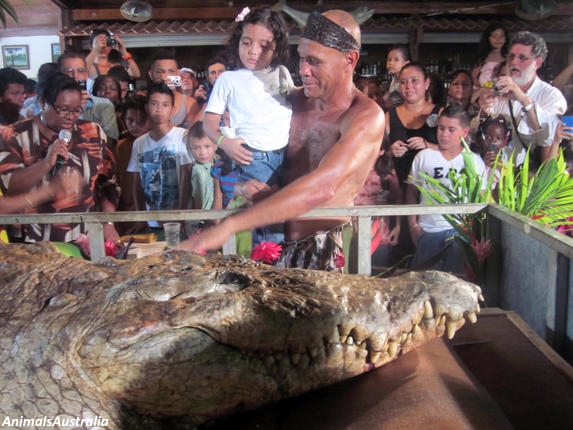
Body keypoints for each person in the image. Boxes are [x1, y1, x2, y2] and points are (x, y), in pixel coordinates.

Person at [180, 10, 385, 272]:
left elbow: (324, 186)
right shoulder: (290, 101)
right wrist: (245, 184)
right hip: (270, 244)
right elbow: (239, 155)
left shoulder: (365, 116)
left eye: (315, 61)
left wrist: (231, 224)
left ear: (350, 60)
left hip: (324, 250)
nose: (303, 70)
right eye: (301, 58)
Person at [204, 7, 294, 245]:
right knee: (267, 228)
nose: (254, 51)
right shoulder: (228, 79)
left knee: (284, 221)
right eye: (247, 43)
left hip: (286, 157)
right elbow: (209, 121)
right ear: (238, 42)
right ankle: (265, 274)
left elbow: (297, 106)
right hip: (254, 158)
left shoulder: (282, 73)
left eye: (264, 45)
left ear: (277, 47)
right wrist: (226, 143)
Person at [0, 73, 120, 244]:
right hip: (32, 245)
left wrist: (108, 223)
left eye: (76, 110)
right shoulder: (13, 135)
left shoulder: (92, 132)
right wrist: (46, 163)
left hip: (82, 241)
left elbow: (108, 182)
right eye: (63, 109)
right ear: (43, 102)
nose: (70, 116)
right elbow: (9, 185)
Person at [406, 104, 486, 273]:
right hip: (428, 230)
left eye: (451, 130)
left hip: (459, 232)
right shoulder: (424, 157)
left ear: (464, 132)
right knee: (423, 284)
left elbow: (480, 198)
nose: (444, 134)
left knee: (457, 283)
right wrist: (413, 225)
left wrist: (471, 231)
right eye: (441, 128)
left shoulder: (473, 161)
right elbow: (411, 192)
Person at [474, 31, 567, 166]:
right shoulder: (499, 91)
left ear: (538, 63)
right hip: (499, 174)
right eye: (511, 56)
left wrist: (523, 98)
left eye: (522, 58)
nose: (514, 62)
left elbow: (547, 137)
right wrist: (484, 113)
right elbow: (478, 134)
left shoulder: (551, 95)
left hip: (533, 176)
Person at [127, 82, 193, 232]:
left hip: (177, 221)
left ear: (173, 110)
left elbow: (186, 177)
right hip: (151, 221)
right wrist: (140, 217)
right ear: (147, 108)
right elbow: (136, 182)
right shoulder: (139, 143)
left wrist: (181, 216)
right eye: (154, 104)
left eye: (165, 105)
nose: (159, 109)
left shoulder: (182, 136)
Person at [386, 62, 441, 193]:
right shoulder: (389, 116)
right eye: (403, 82)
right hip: (399, 186)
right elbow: (375, 151)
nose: (409, 86)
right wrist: (390, 150)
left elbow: (457, 150)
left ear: (427, 83)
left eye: (414, 80)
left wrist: (429, 146)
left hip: (433, 188)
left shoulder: (440, 113)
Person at [58, 51, 120, 145]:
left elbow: (112, 141)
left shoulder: (103, 105)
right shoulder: (51, 107)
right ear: (58, 75)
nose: (75, 76)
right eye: (69, 71)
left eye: (80, 71)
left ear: (86, 75)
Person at [114, 94, 150, 236]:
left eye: (141, 121)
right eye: (130, 120)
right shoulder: (121, 147)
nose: (134, 125)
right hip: (127, 212)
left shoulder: (156, 145)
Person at [146, 49, 200, 128]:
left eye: (171, 71)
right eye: (160, 72)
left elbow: (191, 133)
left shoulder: (189, 102)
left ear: (178, 73)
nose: (165, 76)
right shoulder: (143, 100)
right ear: (151, 74)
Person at [471, 22, 509, 90]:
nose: (498, 39)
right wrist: (482, 89)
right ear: (488, 38)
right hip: (483, 93)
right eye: (494, 36)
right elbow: (474, 77)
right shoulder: (482, 58)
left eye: (501, 36)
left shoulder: (509, 58)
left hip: (502, 94)